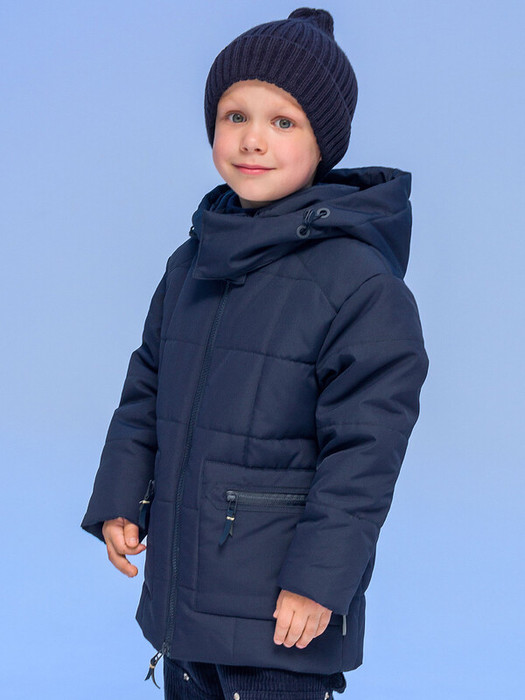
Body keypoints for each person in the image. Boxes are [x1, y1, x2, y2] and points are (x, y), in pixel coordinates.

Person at [82, 7, 429, 699]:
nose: (252, 139)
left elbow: (364, 456)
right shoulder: (192, 262)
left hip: (280, 619)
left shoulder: (359, 285)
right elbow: (146, 389)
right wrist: (123, 495)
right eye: (234, 115)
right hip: (185, 608)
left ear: (323, 143)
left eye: (283, 122)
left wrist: (319, 581)